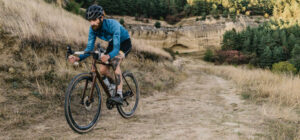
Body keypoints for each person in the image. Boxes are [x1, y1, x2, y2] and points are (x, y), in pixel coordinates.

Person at [68, 5, 132, 104]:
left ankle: (119, 94)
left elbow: (116, 48)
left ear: (101, 18)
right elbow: (89, 48)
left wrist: (108, 56)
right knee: (102, 70)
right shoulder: (92, 29)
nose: (92, 23)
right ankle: (113, 87)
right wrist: (78, 58)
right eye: (90, 20)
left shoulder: (113, 25)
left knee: (115, 61)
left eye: (94, 20)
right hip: (112, 42)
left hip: (124, 42)